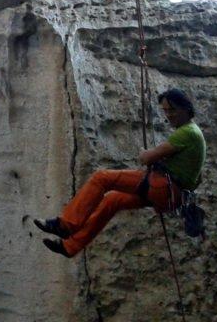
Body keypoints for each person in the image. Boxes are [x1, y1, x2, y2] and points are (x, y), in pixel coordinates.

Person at [34, 88, 206, 257]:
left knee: (101, 178)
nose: (169, 115)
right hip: (170, 197)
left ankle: (65, 225)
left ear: (185, 108)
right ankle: (70, 246)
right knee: (112, 200)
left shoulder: (186, 133)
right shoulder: (194, 133)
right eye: (166, 111)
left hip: (162, 188)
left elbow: (147, 158)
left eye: (173, 110)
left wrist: (143, 153)